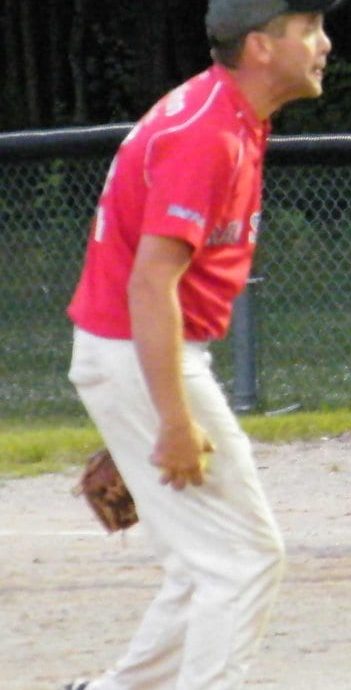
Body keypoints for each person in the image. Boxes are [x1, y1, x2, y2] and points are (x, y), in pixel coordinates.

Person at [62, 2, 335, 688]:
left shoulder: (224, 111)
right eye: (307, 28)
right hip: (141, 349)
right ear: (259, 47)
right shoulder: (209, 134)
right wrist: (171, 422)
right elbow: (150, 284)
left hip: (131, 356)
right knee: (246, 558)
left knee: (200, 562)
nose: (324, 43)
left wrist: (138, 414)